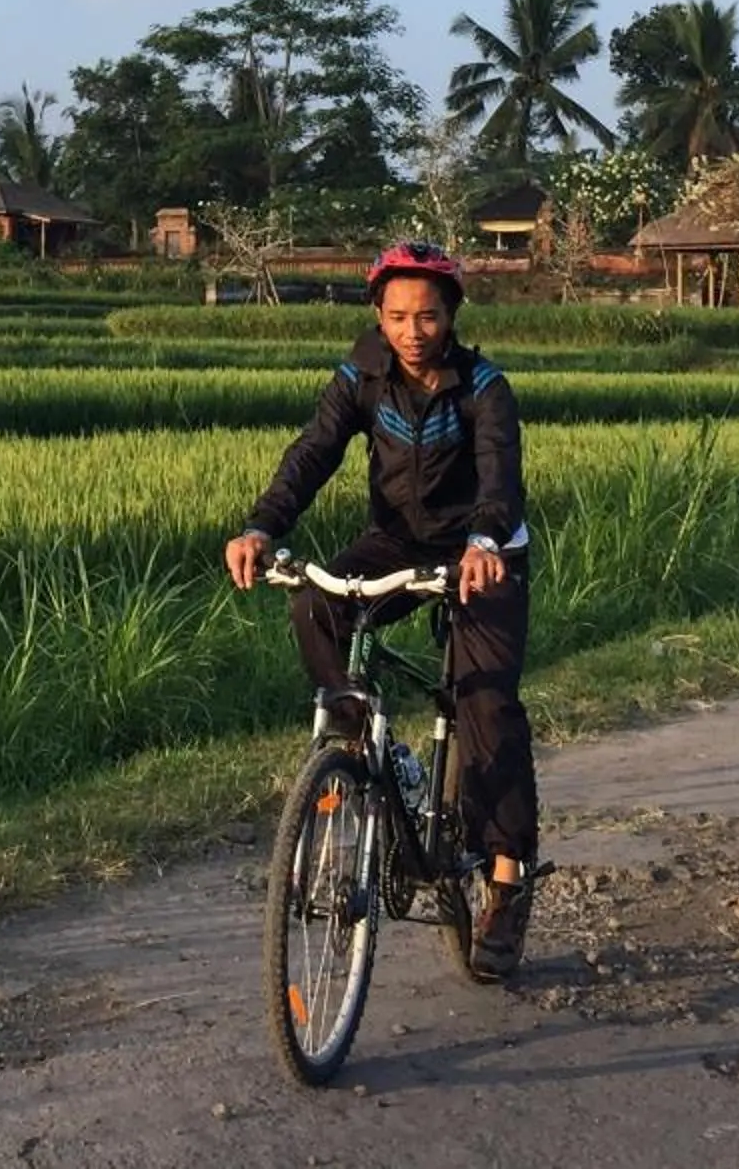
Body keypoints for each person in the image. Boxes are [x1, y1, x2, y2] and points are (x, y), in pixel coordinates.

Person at [223, 240, 543, 983]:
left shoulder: (483, 387)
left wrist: (484, 540)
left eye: (428, 315)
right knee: (316, 601)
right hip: (396, 543)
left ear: (452, 315)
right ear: (378, 314)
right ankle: (354, 737)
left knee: (485, 707)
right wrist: (261, 525)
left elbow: (500, 478)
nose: (412, 330)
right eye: (397, 315)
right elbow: (312, 453)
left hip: (482, 553)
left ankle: (504, 880)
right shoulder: (359, 378)